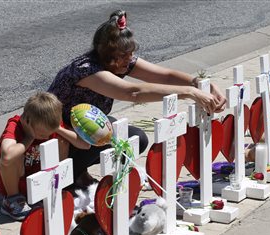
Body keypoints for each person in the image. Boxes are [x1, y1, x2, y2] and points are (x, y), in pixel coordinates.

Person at [48, 10, 226, 188]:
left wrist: (199, 83)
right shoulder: (87, 70)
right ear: (108, 55)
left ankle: (79, 172)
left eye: (131, 53)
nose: (130, 59)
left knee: (135, 139)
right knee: (105, 134)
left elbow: (165, 76)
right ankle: (68, 178)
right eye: (124, 55)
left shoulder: (119, 63)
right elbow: (133, 93)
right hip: (55, 133)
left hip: (82, 126)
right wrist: (189, 92)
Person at [0, 91, 90, 221]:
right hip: (17, 183)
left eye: (49, 133)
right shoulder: (15, 126)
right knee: (15, 155)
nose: (45, 137)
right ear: (27, 121)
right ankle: (11, 200)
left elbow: (85, 144)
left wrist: (58, 129)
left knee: (63, 140)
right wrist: (29, 137)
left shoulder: (48, 125)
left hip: (41, 182)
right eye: (41, 134)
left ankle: (55, 187)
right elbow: (7, 157)